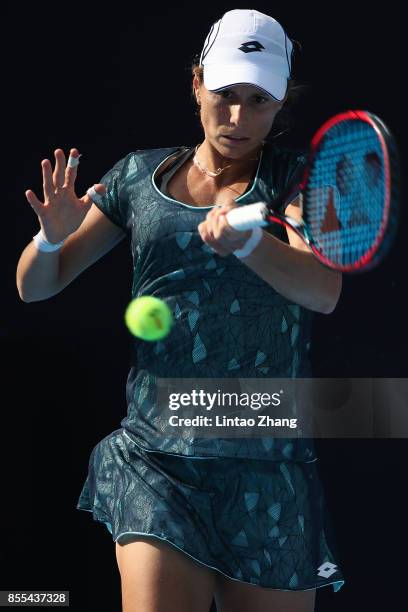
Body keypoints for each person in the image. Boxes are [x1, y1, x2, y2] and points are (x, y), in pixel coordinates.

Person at [16, 9, 345, 612]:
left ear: (280, 104)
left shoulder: (301, 181)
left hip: (267, 471)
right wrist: (51, 240)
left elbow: (323, 289)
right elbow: (35, 287)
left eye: (259, 100)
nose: (239, 117)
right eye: (224, 95)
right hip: (156, 460)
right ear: (196, 82)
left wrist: (249, 244)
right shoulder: (139, 176)